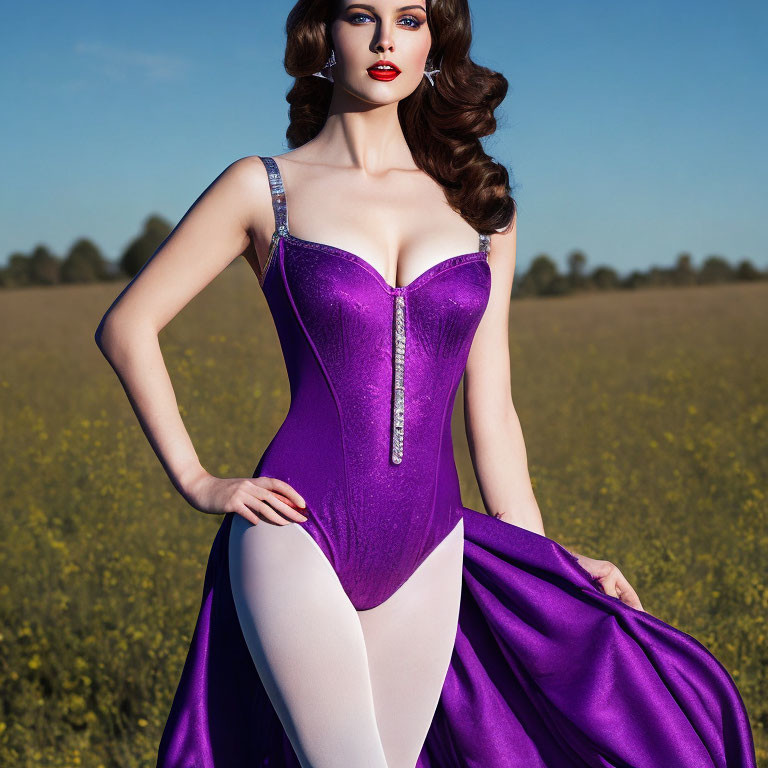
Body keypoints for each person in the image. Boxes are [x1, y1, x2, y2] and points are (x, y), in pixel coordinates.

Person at [95, 1, 758, 766]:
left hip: (431, 548)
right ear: (322, 35)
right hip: (295, 531)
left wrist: (547, 569)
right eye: (359, 16)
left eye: (410, 18)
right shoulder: (262, 187)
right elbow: (129, 325)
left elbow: (493, 406)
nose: (385, 40)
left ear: (434, 41)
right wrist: (199, 480)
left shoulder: (482, 211)